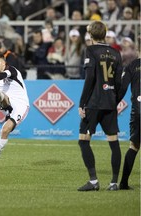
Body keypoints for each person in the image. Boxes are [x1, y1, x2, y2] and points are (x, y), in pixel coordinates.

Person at [77, 21, 123, 191]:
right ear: (105, 33)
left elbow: (89, 79)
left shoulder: (90, 50)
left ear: (90, 35)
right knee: (114, 142)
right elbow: (119, 82)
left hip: (94, 103)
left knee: (83, 141)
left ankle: (94, 181)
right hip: (110, 103)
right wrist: (114, 100)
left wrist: (82, 103)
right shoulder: (116, 53)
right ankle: (114, 183)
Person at [118, 41, 140, 190]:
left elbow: (122, 89)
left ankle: (123, 183)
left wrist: (111, 104)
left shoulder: (132, 66)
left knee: (133, 146)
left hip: (137, 111)